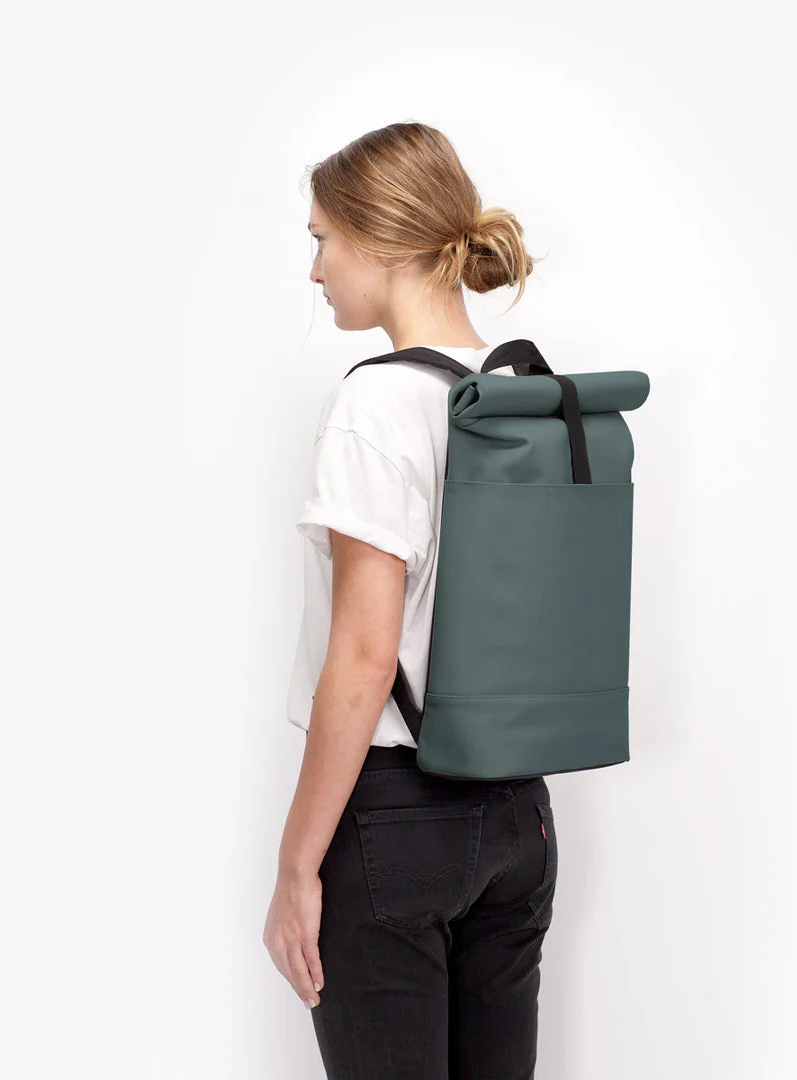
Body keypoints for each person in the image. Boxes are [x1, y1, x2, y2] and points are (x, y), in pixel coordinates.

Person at [262, 122, 558, 1080]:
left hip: (398, 818)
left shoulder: (377, 404)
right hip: (519, 816)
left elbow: (364, 656)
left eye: (323, 239)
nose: (315, 269)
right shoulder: (524, 387)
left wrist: (296, 866)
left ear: (381, 239)